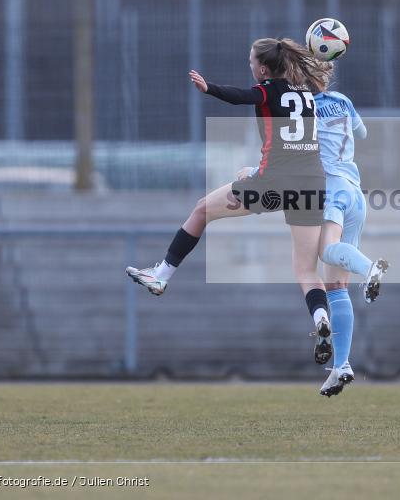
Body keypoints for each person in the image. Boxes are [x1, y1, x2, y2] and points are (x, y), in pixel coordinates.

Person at [126, 38, 334, 365]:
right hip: (311, 186)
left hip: (272, 185)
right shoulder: (306, 93)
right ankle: (321, 318)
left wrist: (210, 89)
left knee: (200, 210)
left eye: (252, 61)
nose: (250, 65)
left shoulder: (266, 90)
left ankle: (162, 275)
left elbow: (241, 97)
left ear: (263, 69)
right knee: (307, 270)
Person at [237, 61, 388, 397]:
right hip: (356, 191)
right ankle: (342, 365)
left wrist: (255, 171)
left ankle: (371, 267)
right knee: (336, 286)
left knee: (326, 251)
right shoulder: (343, 100)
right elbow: (362, 133)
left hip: (331, 188)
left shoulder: (305, 110)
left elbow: (287, 151)